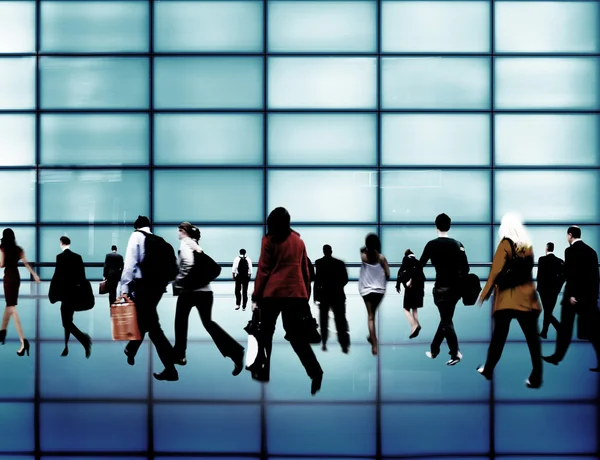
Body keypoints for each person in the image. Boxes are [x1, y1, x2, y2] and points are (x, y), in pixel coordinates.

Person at [251, 207, 323, 395]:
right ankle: (315, 371)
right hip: (296, 295)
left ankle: (263, 371)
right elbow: (305, 271)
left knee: (265, 333)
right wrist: (305, 295)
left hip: (272, 294)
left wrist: (255, 297)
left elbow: (264, 270)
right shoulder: (299, 242)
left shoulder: (269, 240)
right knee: (297, 337)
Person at [477, 213, 543, 388]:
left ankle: (488, 369)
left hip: (507, 300)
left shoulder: (505, 244)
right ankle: (536, 377)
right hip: (527, 300)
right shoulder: (528, 247)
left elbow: (495, 273)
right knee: (533, 341)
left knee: (498, 339)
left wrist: (484, 295)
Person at [173, 223, 244, 374]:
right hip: (205, 292)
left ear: (185, 232)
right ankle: (235, 352)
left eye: (180, 230)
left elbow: (188, 265)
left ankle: (180, 355)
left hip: (189, 291)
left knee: (180, 321)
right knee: (208, 323)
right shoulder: (197, 245)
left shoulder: (185, 244)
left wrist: (179, 280)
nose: (178, 232)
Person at [121, 215, 178, 381]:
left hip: (142, 287)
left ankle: (171, 364)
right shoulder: (159, 240)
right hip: (158, 288)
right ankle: (131, 349)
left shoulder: (136, 236)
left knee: (153, 327)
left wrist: (124, 287)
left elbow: (130, 263)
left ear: (136, 226)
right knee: (146, 321)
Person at [543, 226, 600, 372]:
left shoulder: (570, 251)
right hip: (588, 297)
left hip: (573, 297)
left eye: (567, 236)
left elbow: (572, 273)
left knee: (565, 329)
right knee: (594, 331)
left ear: (570, 235)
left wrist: (573, 294)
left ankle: (557, 357)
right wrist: (593, 296)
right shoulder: (591, 251)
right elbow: (594, 277)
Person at [417, 213, 469, 366]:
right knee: (446, 320)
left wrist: (413, 281)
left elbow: (420, 266)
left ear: (436, 227)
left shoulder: (431, 244)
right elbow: (466, 268)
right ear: (449, 226)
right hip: (455, 290)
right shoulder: (458, 244)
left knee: (446, 320)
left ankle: (455, 353)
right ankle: (434, 349)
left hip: (441, 288)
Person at [48, 236, 92, 358]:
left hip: (65, 294)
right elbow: (82, 276)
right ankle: (66, 346)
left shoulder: (60, 257)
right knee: (68, 321)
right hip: (75, 293)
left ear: (61, 243)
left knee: (66, 322)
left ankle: (84, 339)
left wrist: (53, 293)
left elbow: (57, 275)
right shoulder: (78, 257)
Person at [0, 228, 40, 356]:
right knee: (9, 305)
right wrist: (34, 275)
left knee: (11, 307)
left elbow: (1, 264)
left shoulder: (2, 248)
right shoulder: (19, 249)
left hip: (8, 278)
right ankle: (2, 332)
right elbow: (26, 264)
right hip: (16, 278)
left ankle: (23, 341)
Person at [314, 244, 350, 352]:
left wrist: (316, 295)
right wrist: (337, 286)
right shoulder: (339, 263)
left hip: (324, 294)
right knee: (340, 319)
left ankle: (324, 341)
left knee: (324, 319)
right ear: (331, 251)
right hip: (337, 294)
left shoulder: (319, 263)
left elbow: (317, 280)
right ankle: (343, 344)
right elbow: (345, 279)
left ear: (324, 251)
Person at [359, 233, 390, 356]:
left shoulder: (363, 256)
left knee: (370, 316)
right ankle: (372, 337)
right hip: (379, 290)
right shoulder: (381, 258)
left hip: (366, 290)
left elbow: (362, 250)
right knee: (373, 314)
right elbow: (388, 274)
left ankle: (374, 343)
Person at [536, 242, 564, 339]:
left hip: (543, 290)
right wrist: (558, 287)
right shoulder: (559, 261)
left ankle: (558, 328)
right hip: (554, 291)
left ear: (546, 248)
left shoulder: (542, 259)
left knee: (547, 311)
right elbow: (564, 276)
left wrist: (538, 288)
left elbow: (539, 275)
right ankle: (545, 332)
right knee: (548, 311)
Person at [396, 249, 424, 339]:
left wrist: (398, 285)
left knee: (406, 309)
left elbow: (400, 271)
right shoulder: (418, 262)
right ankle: (415, 326)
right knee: (414, 308)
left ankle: (414, 325)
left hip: (410, 287)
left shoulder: (406, 259)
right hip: (419, 289)